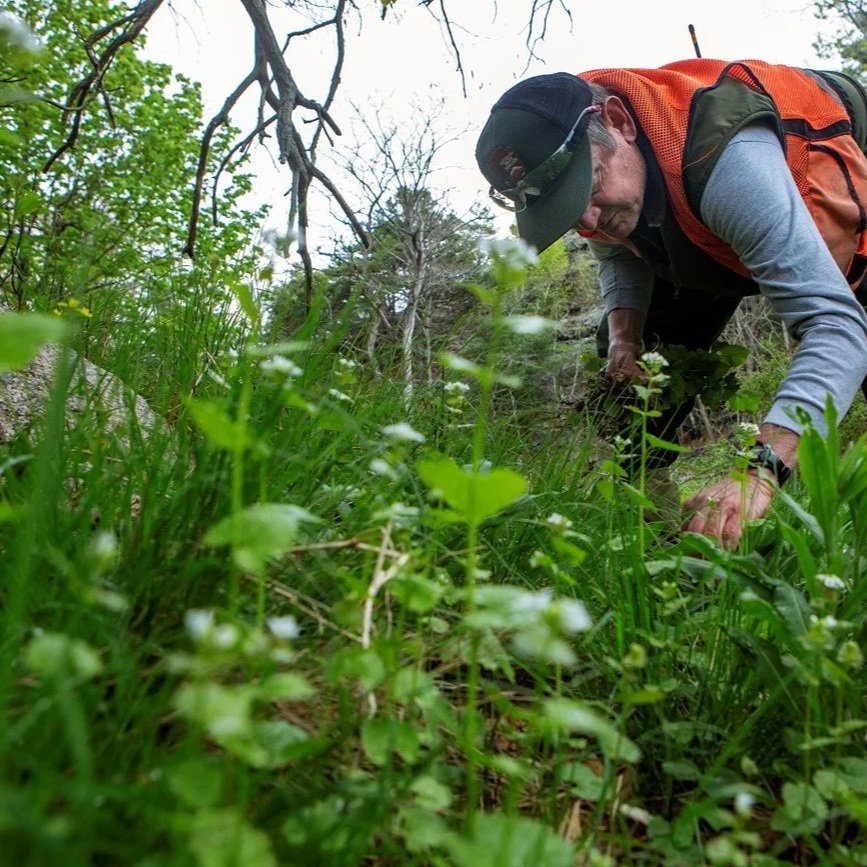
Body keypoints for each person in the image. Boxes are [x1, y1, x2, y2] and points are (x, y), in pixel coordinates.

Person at [475, 59, 867, 549]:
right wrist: (625, 337)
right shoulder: (606, 174)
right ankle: (660, 536)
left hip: (820, 160)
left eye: (590, 187)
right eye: (569, 210)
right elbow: (613, 250)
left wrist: (759, 472)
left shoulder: (732, 168)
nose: (589, 218)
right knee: (633, 373)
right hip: (699, 224)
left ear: (620, 122)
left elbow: (835, 324)